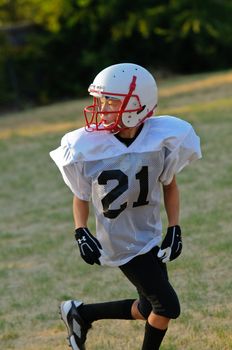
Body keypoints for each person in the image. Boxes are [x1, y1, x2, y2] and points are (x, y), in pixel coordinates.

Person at [50, 63, 202, 350]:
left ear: (136, 104)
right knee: (168, 307)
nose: (102, 106)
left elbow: (169, 185)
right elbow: (81, 195)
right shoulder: (88, 145)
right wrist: (81, 230)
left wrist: (174, 228)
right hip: (119, 240)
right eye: (101, 99)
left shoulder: (162, 137)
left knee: (149, 308)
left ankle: (81, 314)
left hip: (149, 232)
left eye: (111, 100)